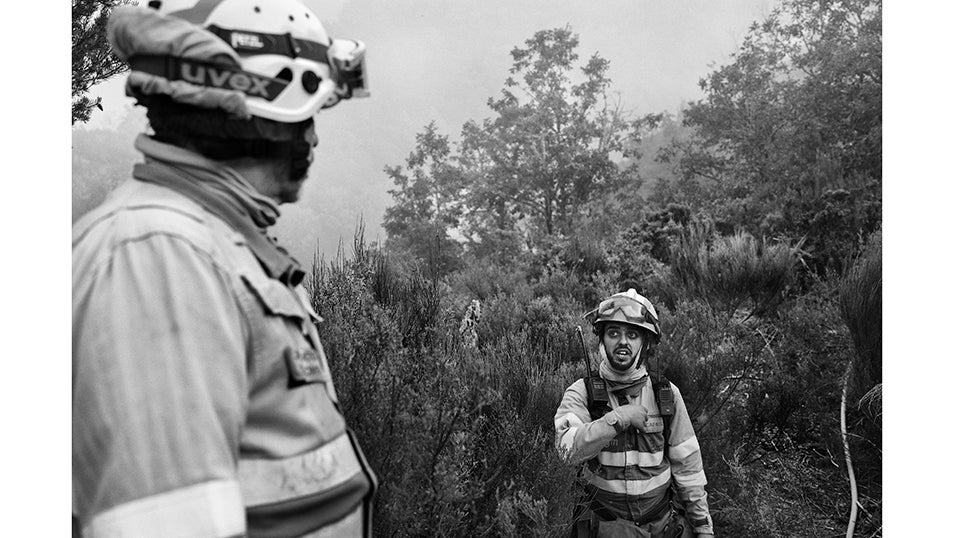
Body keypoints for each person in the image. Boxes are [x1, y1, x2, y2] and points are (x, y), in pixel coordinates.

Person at [72, 1, 375, 536]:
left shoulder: (209, 242)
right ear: (254, 114)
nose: (313, 138)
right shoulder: (159, 257)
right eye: (306, 114)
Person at [554, 289, 715, 538]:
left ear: (646, 343)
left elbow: (689, 469)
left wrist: (703, 528)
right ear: (602, 339)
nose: (623, 341)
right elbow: (567, 450)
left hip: (663, 526)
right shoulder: (581, 392)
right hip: (604, 528)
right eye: (613, 332)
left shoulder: (667, 394)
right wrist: (620, 418)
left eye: (632, 334)